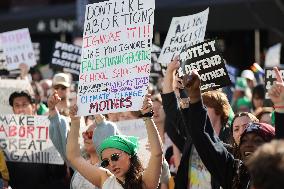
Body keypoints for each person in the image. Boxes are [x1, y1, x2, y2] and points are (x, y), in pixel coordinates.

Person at [179, 66, 284, 189]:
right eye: (244, 140)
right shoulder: (235, 174)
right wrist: (195, 96)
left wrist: (281, 105)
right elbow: (202, 138)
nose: (248, 144)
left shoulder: (279, 175)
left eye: (257, 140)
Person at [161, 57, 231, 189]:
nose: (197, 107)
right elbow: (170, 106)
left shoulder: (231, 139)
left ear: (219, 111)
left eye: (203, 104)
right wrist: (170, 72)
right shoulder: (192, 133)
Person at [66, 94, 163, 189]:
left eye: (115, 157)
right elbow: (73, 157)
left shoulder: (145, 182)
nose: (111, 164)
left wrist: (147, 117)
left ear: (128, 153)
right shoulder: (104, 179)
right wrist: (75, 121)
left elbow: (157, 153)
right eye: (105, 162)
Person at [48, 91, 120, 189]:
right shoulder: (81, 161)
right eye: (85, 134)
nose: (86, 138)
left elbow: (109, 131)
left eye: (90, 135)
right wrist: (53, 110)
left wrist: (100, 121)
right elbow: (62, 141)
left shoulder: (113, 167)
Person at [7, 90, 56, 189]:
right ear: (13, 110)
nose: (21, 109)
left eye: (24, 105)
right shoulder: (7, 136)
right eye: (17, 105)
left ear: (33, 107)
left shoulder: (46, 130)